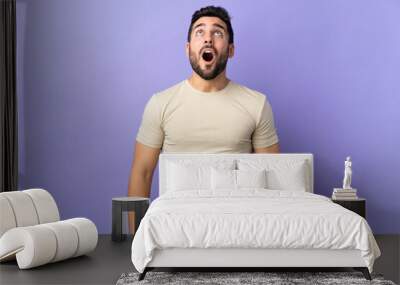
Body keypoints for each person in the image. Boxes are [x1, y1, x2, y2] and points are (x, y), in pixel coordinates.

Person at [127, 6, 280, 231]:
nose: (208, 39)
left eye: (217, 32)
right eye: (200, 32)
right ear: (188, 48)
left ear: (230, 50)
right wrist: (135, 238)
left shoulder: (257, 104)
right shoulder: (160, 103)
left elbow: (273, 178)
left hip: (239, 227)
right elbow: (142, 172)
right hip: (175, 226)